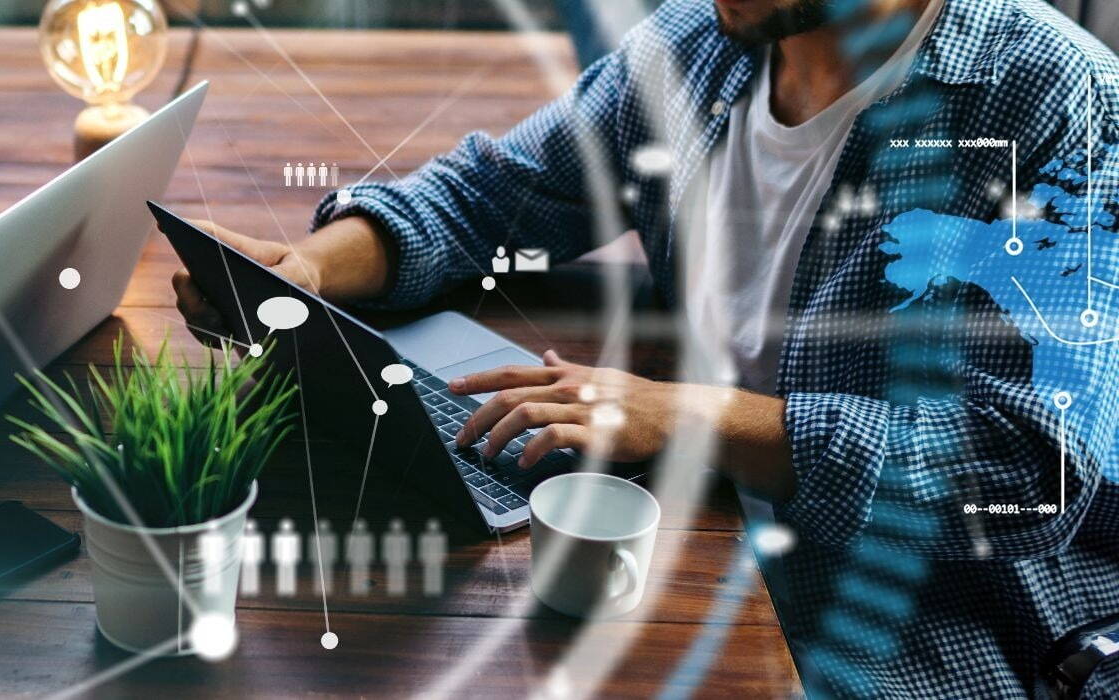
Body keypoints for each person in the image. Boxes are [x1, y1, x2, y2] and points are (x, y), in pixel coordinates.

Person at [171, 0, 1118, 695]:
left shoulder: (1054, 99)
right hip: (691, 541)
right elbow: (494, 191)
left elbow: (1034, 470)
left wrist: (684, 415)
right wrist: (310, 269)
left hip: (926, 625)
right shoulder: (705, 43)